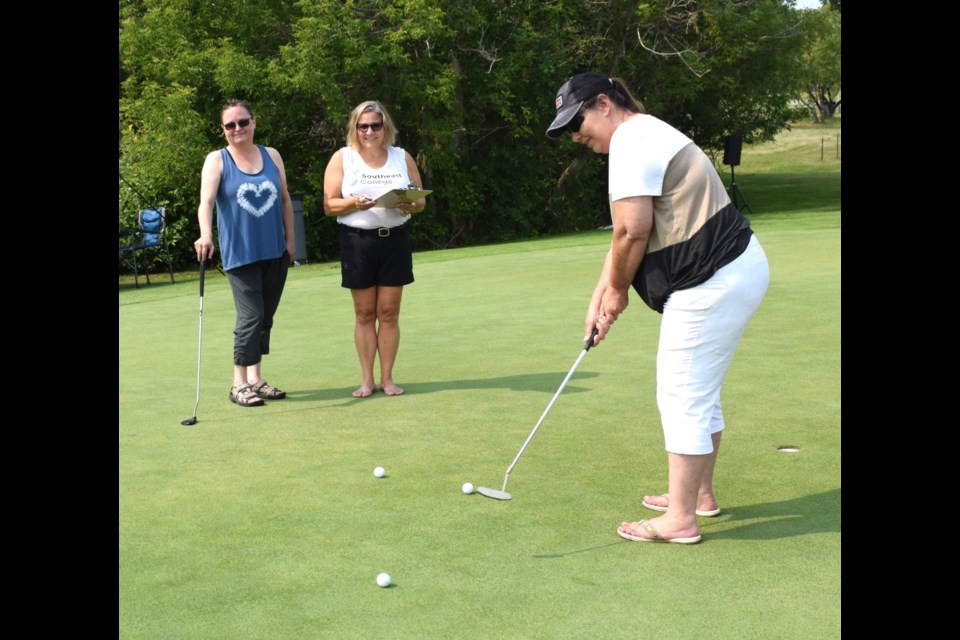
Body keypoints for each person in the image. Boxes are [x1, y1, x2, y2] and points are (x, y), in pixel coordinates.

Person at [546, 73, 770, 544]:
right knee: (698, 390)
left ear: (603, 103)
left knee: (682, 392)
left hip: (712, 279)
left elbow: (633, 231)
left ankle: (681, 519)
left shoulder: (630, 140)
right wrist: (601, 295)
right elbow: (622, 235)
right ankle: (699, 495)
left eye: (578, 120)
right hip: (731, 269)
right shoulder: (645, 131)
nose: (575, 134)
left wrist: (618, 293)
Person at [194, 99, 296, 407]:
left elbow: (285, 201)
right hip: (240, 254)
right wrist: (206, 234)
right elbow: (206, 203)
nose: (237, 129)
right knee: (251, 316)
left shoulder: (271, 155)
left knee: (265, 317)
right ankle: (237, 383)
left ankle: (255, 378)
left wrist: (291, 242)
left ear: (253, 122)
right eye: (230, 125)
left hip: (274, 251)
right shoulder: (217, 160)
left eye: (243, 122)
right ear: (223, 130)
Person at [322, 101, 426, 398]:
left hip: (394, 240)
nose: (369, 131)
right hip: (358, 242)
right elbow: (330, 205)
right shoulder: (343, 158)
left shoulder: (401, 157)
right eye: (363, 126)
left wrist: (411, 204)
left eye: (375, 125)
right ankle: (367, 380)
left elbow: (420, 201)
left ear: (385, 128)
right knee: (365, 313)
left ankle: (388, 379)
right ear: (355, 128)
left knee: (389, 313)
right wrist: (355, 202)